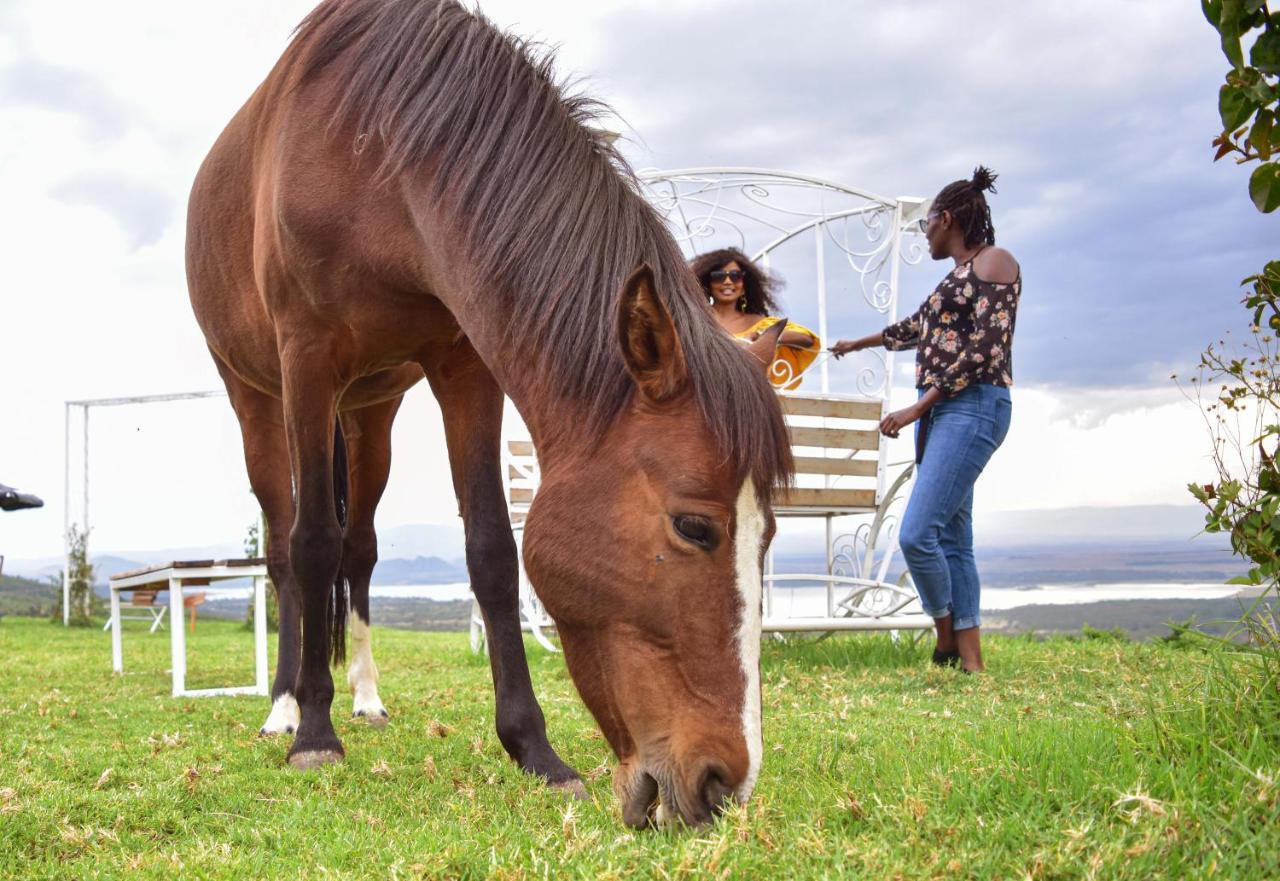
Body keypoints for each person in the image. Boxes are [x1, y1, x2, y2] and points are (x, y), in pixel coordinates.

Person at [829, 167, 1019, 673]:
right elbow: (916, 328)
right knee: (955, 539)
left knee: (917, 534)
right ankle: (973, 666)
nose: (924, 233)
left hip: (972, 403)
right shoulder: (954, 276)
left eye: (925, 224)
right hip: (944, 407)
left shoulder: (994, 262)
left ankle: (945, 641)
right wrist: (858, 343)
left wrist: (918, 406)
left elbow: (985, 349)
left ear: (947, 219)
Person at [692, 247, 821, 389]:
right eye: (719, 276)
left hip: (750, 400)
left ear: (744, 285)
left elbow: (807, 340)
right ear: (707, 283)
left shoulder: (760, 324)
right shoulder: (693, 320)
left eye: (735, 276)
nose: (728, 281)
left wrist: (762, 337)